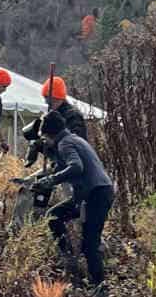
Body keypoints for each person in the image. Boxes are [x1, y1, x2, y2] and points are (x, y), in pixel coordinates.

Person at [19, 111, 114, 287]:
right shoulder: (74, 139)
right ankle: (69, 258)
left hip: (96, 194)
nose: (44, 142)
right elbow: (60, 168)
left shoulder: (65, 143)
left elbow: (76, 167)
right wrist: (41, 181)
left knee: (90, 242)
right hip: (92, 193)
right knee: (54, 216)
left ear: (51, 134)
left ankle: (99, 286)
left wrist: (51, 180)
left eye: (45, 138)